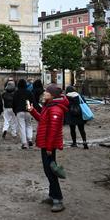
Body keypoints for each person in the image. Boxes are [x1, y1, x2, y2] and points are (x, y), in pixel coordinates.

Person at [29, 83, 69, 213]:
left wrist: (50, 148)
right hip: (45, 143)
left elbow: (53, 130)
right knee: (48, 170)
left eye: (46, 92)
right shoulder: (49, 106)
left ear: (52, 95)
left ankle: (58, 200)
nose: (44, 93)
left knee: (51, 171)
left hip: (48, 145)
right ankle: (52, 196)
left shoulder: (55, 109)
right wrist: (32, 111)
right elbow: (42, 120)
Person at [13, 79, 34, 149]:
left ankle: (24, 143)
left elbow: (14, 103)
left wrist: (15, 111)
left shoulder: (16, 93)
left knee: (22, 127)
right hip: (28, 110)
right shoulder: (29, 92)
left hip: (19, 111)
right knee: (29, 125)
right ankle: (30, 138)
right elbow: (32, 102)